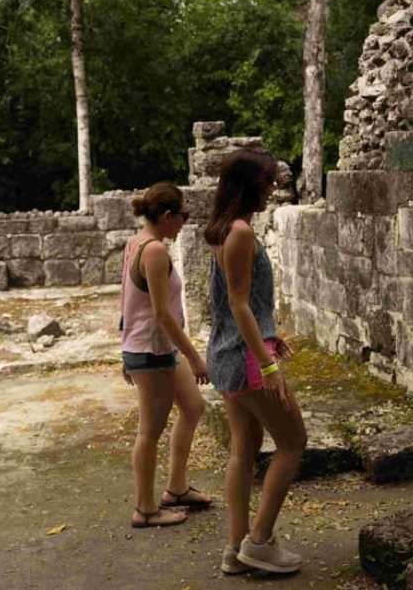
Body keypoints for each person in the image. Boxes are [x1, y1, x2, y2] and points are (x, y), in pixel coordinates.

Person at [205, 150, 307, 574]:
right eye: (267, 182)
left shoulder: (222, 231)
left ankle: (235, 548)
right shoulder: (242, 232)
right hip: (246, 360)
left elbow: (239, 306)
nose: (273, 189)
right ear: (250, 185)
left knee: (243, 451)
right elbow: (239, 303)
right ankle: (260, 541)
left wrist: (267, 333)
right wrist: (267, 363)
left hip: (224, 355)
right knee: (293, 443)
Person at [121, 182, 212, 528]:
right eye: (183, 216)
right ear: (167, 216)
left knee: (193, 407)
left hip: (152, 348)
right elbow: (162, 314)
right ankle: (145, 509)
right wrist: (195, 357)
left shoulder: (137, 241)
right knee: (149, 431)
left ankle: (176, 488)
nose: (185, 223)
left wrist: (123, 349)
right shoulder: (154, 251)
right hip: (151, 351)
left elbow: (127, 301)